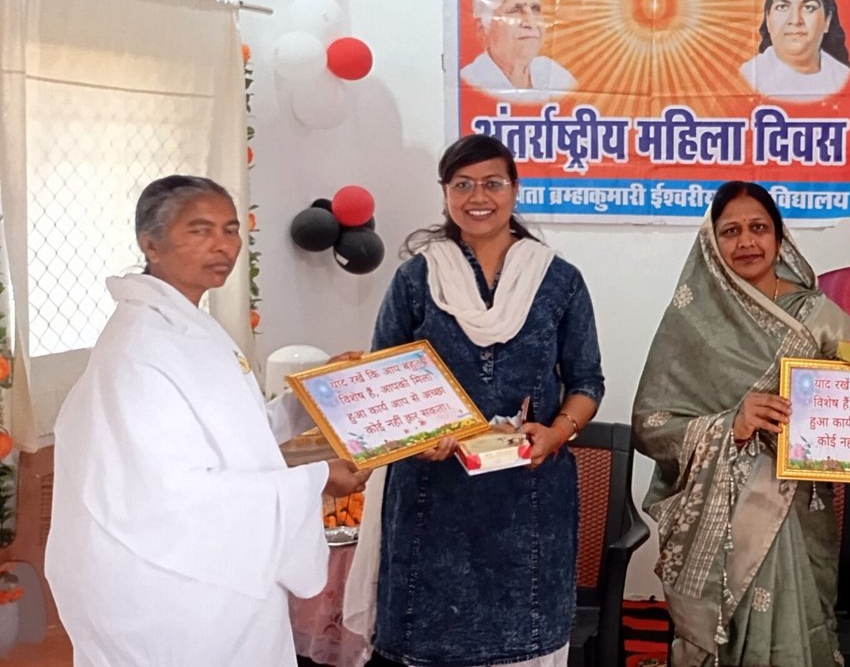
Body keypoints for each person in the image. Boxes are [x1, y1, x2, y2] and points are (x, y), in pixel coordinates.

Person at [46, 175, 369, 666]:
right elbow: (173, 496)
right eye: (200, 230)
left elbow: (235, 435)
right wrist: (318, 480)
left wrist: (315, 395)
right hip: (171, 585)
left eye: (231, 229)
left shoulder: (190, 325)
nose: (223, 245)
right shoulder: (140, 347)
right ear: (150, 243)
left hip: (209, 573)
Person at [357, 134, 605, 666]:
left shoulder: (558, 280)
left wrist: (556, 433)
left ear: (514, 189)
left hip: (528, 494)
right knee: (427, 644)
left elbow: (587, 382)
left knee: (525, 643)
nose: (478, 197)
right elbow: (383, 379)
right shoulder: (417, 279)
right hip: (433, 495)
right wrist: (416, 437)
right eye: (462, 184)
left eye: (492, 183)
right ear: (445, 193)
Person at [633, 181, 850, 666]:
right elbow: (650, 425)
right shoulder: (690, 320)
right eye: (730, 231)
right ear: (712, 242)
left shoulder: (816, 317)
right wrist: (730, 425)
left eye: (758, 228)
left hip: (796, 510)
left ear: (779, 238)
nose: (746, 242)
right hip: (718, 520)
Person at [739, 0, 850, 102]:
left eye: (808, 8)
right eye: (782, 7)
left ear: (827, 20)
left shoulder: (844, 78)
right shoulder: (746, 77)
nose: (795, 20)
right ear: (768, 19)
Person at [459, 0, 576, 103]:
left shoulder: (553, 73)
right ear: (483, 28)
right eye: (515, 10)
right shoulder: (469, 81)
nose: (531, 23)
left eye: (535, 9)